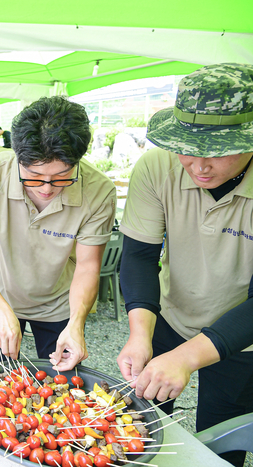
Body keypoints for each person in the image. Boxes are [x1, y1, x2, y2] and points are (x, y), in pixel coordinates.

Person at [115, 63, 253, 467]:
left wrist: (189, 358)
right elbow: (139, 255)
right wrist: (140, 332)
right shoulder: (157, 167)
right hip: (172, 314)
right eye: (187, 149)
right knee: (143, 422)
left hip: (242, 333)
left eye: (220, 151)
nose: (200, 166)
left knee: (222, 436)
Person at [0, 96, 116, 370]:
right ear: (17, 156)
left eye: (61, 177)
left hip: (59, 302)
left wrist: (77, 322)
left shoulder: (98, 190)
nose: (46, 189)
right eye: (33, 176)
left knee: (62, 385)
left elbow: (88, 266)